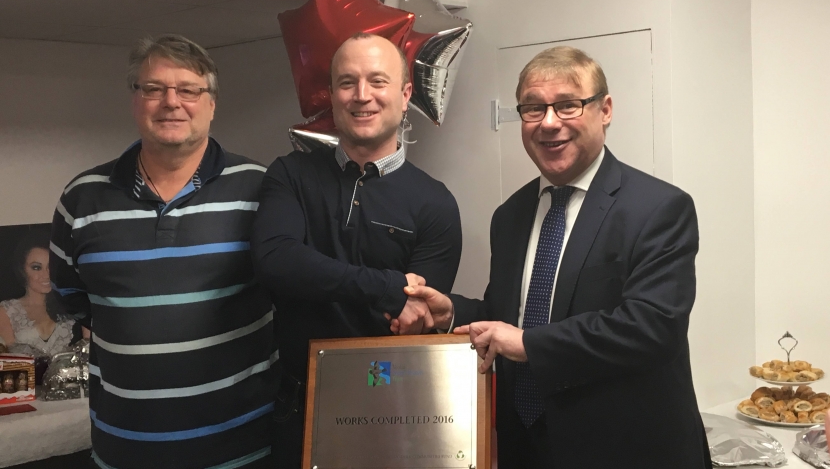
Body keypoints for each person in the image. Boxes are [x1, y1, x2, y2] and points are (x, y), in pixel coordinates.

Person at [401, 46, 711, 468]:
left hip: (626, 450)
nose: (549, 123)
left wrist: (528, 344)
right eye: (533, 108)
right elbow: (516, 314)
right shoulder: (510, 215)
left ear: (605, 110)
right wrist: (451, 313)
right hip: (527, 447)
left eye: (567, 106)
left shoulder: (658, 209)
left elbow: (652, 328)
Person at [50, 35, 276, 469]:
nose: (171, 102)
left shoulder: (263, 190)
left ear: (212, 103)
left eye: (189, 89)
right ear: (135, 100)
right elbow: (76, 305)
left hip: (241, 451)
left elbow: (289, 295)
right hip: (125, 450)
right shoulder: (80, 199)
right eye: (153, 88)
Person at [251, 32, 462, 468]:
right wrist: (387, 287)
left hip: (395, 416)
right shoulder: (290, 175)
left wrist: (323, 276)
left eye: (377, 81)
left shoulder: (435, 202)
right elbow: (277, 262)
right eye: (347, 82)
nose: (361, 96)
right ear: (331, 95)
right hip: (298, 409)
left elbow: (416, 317)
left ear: (405, 95)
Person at [0, 230, 74, 356]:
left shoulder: (69, 305)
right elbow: (9, 360)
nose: (46, 275)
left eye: (50, 267)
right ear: (23, 270)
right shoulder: (7, 311)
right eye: (36, 268)